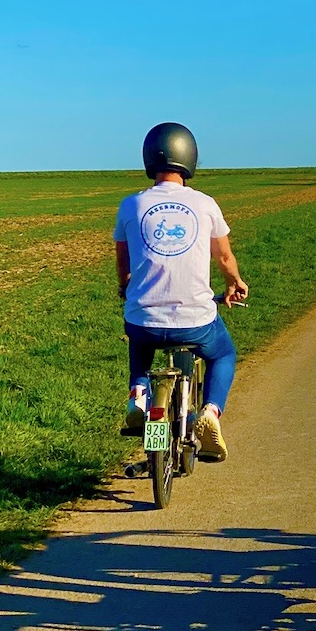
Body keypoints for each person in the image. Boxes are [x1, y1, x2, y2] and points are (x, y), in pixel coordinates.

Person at [114, 122, 248, 460]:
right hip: (194, 319)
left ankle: (139, 395)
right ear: (190, 158)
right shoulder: (204, 204)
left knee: (140, 336)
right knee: (223, 354)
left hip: (144, 318)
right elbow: (225, 256)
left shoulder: (131, 205)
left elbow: (123, 258)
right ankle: (210, 413)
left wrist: (125, 289)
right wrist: (234, 284)